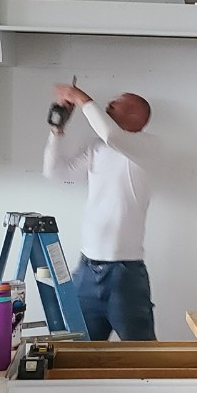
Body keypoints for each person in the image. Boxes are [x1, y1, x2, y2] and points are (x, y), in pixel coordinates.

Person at [43, 83, 157, 341]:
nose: (110, 103)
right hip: (86, 270)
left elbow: (112, 135)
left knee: (144, 357)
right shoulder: (98, 147)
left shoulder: (148, 147)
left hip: (124, 275)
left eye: (119, 101)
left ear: (136, 116)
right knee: (81, 353)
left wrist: (79, 96)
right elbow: (56, 173)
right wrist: (57, 130)